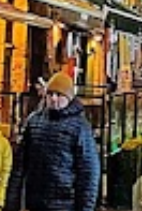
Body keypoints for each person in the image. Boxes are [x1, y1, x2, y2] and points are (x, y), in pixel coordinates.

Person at [8, 72, 100, 211]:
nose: (53, 98)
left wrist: (85, 207)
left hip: (65, 204)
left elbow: (89, 172)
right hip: (35, 202)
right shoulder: (34, 121)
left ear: (68, 98)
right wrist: (12, 202)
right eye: (50, 94)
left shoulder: (80, 127)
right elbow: (20, 166)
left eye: (59, 95)